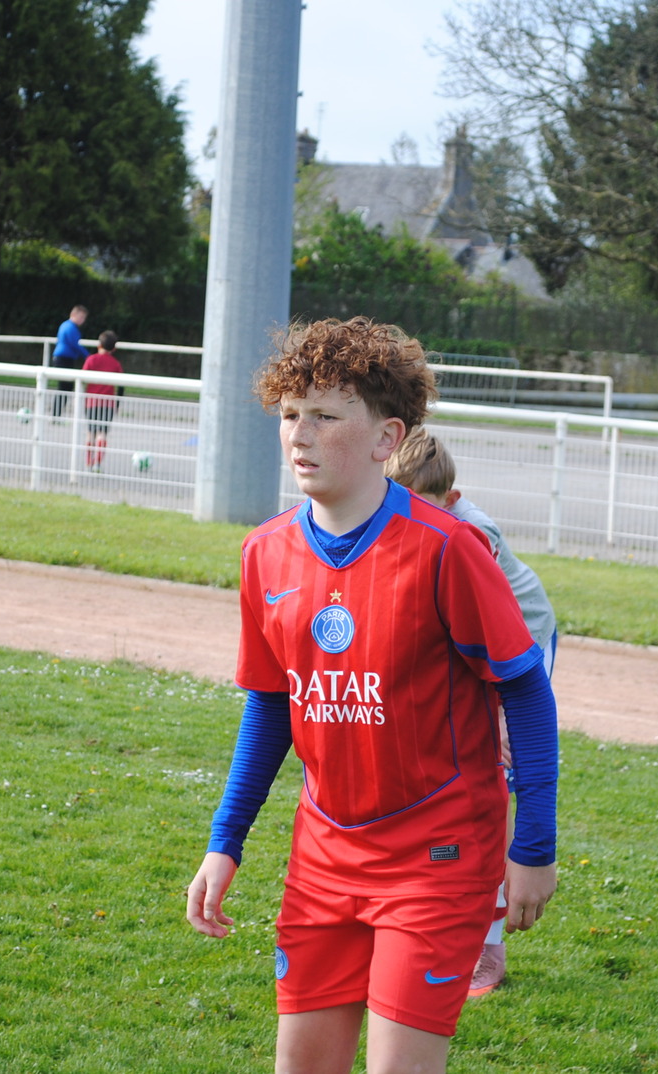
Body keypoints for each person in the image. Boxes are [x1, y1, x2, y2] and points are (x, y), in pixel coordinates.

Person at [185, 317, 559, 1074]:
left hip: (438, 855)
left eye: (326, 416)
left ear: (388, 438)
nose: (300, 435)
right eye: (291, 413)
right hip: (324, 852)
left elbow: (525, 689)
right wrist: (226, 841)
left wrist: (534, 846)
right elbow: (271, 705)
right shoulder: (265, 553)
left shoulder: (448, 548)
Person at [384, 427, 559, 998]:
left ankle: (488, 944)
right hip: (465, 643)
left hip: (521, 642)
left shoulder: (471, 534)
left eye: (425, 506)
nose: (411, 517)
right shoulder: (390, 516)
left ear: (452, 500)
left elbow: (500, 642)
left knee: (493, 774)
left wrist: (503, 719)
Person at [81, 330, 123, 471]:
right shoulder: (115, 364)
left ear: (99, 345)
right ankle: (97, 463)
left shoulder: (91, 360)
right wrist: (117, 404)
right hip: (108, 404)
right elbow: (121, 385)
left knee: (91, 432)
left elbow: (82, 378)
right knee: (102, 433)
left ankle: (88, 462)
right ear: (114, 349)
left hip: (91, 403)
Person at [50, 305, 89, 419]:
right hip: (63, 359)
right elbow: (74, 344)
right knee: (64, 388)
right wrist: (88, 356)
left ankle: (57, 415)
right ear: (73, 315)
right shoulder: (70, 327)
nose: (82, 320)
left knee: (65, 387)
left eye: (84, 318)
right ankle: (56, 415)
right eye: (81, 317)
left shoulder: (66, 325)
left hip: (64, 359)